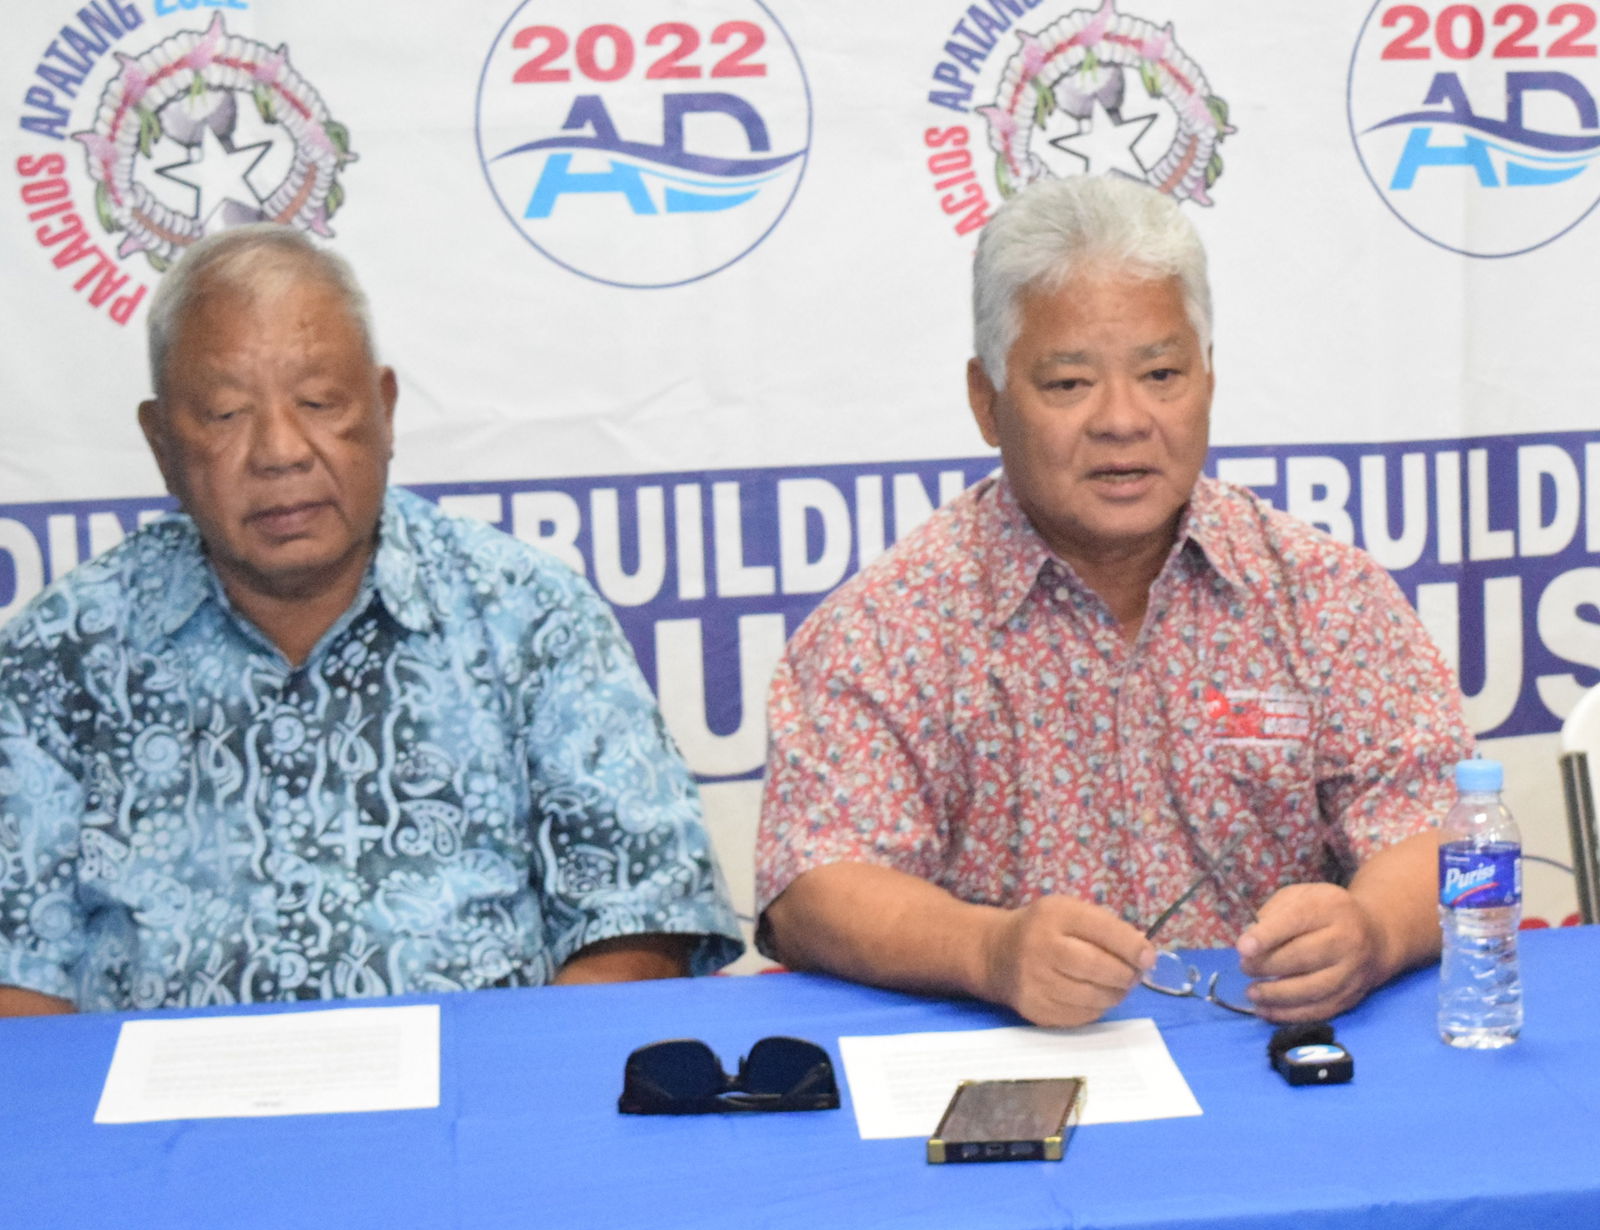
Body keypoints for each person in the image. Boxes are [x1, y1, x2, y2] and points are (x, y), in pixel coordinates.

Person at [755, 174, 1472, 1028]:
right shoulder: (886, 626)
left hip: (1266, 1053)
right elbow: (815, 886)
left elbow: (1448, 830)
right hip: (1007, 1064)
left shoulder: (1326, 598)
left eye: (1161, 373)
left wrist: (1372, 930)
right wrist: (987, 952)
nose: (1124, 420)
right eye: (1069, 384)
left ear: (1208, 379)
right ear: (987, 401)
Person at [0, 225, 741, 1017]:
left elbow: (639, 922)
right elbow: (18, 976)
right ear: (161, 443)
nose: (280, 451)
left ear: (384, 410)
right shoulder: (57, 656)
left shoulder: (530, 615)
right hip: (153, 1097)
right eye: (225, 413)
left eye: (319, 403)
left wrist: (512, 1082)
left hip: (479, 1086)